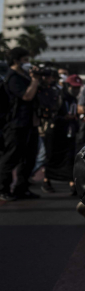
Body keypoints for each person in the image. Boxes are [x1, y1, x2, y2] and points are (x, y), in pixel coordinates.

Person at [0, 47, 42, 201]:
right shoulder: (12, 78)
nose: (28, 63)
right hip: (16, 124)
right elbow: (27, 96)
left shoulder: (24, 76)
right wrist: (35, 79)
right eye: (25, 60)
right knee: (11, 158)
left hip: (29, 123)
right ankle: (3, 189)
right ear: (16, 60)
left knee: (29, 158)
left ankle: (21, 189)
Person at [43, 74, 81, 193]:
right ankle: (46, 180)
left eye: (78, 87)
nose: (76, 90)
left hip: (69, 132)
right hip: (55, 133)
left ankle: (72, 183)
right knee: (52, 157)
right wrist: (65, 118)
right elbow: (51, 115)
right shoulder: (58, 97)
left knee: (69, 157)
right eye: (74, 87)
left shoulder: (73, 99)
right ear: (67, 86)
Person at [35, 68, 63, 193]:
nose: (47, 79)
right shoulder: (38, 88)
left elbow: (57, 105)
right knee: (42, 155)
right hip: (39, 125)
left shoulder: (54, 90)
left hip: (50, 124)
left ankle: (46, 180)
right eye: (45, 76)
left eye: (49, 76)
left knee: (46, 154)